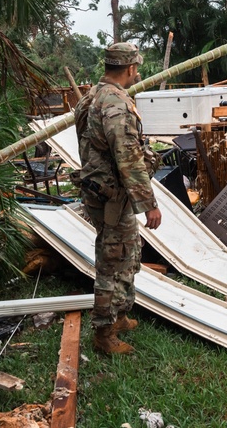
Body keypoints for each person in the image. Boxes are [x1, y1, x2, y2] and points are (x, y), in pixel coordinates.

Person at [74, 42, 162, 355]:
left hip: (106, 191)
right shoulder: (115, 105)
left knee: (129, 251)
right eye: (136, 67)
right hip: (112, 195)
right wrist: (149, 204)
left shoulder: (93, 95)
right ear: (130, 68)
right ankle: (104, 334)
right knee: (112, 261)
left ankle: (121, 314)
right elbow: (128, 157)